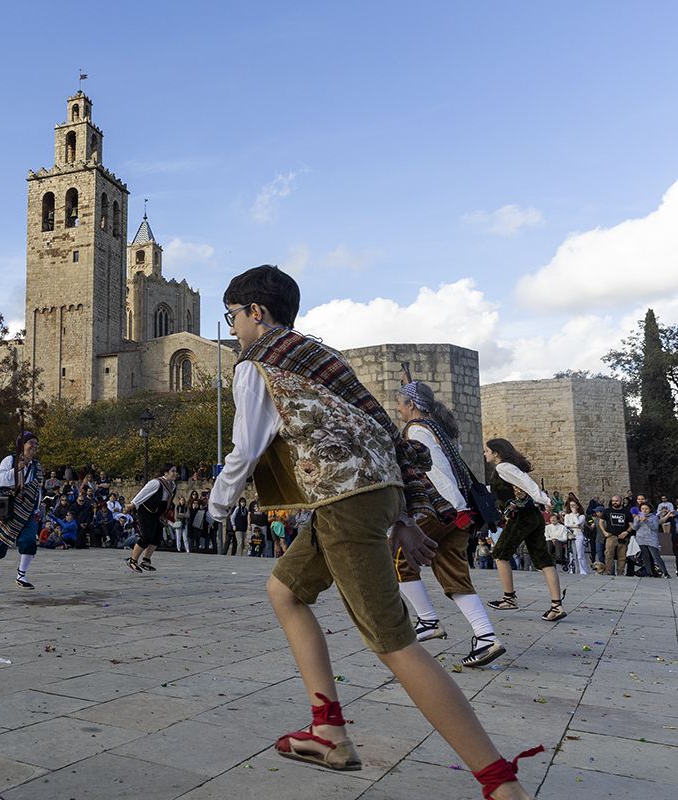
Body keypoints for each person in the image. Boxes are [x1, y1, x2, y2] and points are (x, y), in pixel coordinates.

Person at [207, 265, 537, 799]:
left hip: (344, 502)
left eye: (233, 317)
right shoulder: (321, 355)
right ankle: (328, 730)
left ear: (255, 313)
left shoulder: (257, 364)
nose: (233, 329)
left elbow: (246, 448)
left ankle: (501, 784)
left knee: (395, 642)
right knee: (284, 591)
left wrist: (218, 507)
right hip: (369, 494)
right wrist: (402, 517)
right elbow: (381, 430)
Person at [394, 380, 505, 668]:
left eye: (401, 403)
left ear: (412, 406)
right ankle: (485, 638)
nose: (398, 409)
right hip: (461, 511)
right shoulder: (441, 430)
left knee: (396, 556)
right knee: (453, 572)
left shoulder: (416, 430)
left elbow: (426, 470)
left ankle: (428, 620)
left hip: (438, 508)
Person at [484, 438, 566, 622]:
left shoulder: (503, 467)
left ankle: (509, 599)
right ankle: (556, 606)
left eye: (487, 451)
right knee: (543, 559)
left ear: (496, 453)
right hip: (533, 516)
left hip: (522, 517)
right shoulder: (506, 468)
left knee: (499, 554)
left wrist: (546, 500)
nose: (485, 454)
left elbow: (526, 483)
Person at [0, 431, 43, 592]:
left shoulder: (37, 466)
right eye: (31, 443)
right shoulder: (10, 460)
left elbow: (37, 489)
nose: (34, 447)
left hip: (27, 510)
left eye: (36, 444)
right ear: (22, 445)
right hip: (8, 507)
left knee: (29, 541)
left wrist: (36, 508)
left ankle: (21, 576)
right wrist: (15, 470)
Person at [124, 464, 179, 573]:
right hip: (146, 512)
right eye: (172, 471)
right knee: (146, 537)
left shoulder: (172, 485)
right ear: (165, 473)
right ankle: (132, 560)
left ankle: (146, 560)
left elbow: (167, 502)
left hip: (157, 513)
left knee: (157, 538)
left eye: (175, 471)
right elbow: (143, 494)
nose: (175, 473)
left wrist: (164, 514)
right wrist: (132, 505)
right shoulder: (156, 483)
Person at [632, 502, 670, 578]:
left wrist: (646, 521)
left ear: (650, 509)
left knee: (656, 557)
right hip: (641, 539)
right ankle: (649, 573)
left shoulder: (654, 517)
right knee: (645, 557)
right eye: (642, 509)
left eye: (646, 509)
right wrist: (638, 521)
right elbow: (634, 528)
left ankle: (665, 573)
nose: (644, 510)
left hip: (651, 540)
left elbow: (655, 528)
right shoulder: (637, 517)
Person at [598, 495, 631, 577]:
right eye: (613, 501)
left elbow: (631, 525)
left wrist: (626, 532)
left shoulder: (626, 512)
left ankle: (620, 573)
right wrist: (604, 532)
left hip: (623, 537)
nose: (614, 502)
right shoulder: (607, 511)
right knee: (609, 555)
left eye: (617, 501)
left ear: (621, 501)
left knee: (622, 556)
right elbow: (601, 522)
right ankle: (609, 572)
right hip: (611, 536)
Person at [562, 499, 589, 575]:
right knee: (571, 552)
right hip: (571, 534)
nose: (572, 507)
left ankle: (582, 570)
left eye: (574, 505)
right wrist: (574, 523)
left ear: (577, 506)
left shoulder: (582, 516)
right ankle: (572, 569)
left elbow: (578, 523)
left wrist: (574, 515)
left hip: (579, 534)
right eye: (571, 505)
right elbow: (566, 524)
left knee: (580, 553)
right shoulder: (567, 515)